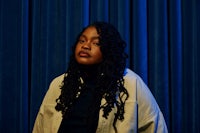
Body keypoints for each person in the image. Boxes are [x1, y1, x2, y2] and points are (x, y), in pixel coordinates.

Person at [32, 21, 168, 133]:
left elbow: (155, 128)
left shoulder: (131, 83)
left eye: (96, 43)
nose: (85, 46)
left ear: (108, 50)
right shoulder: (59, 84)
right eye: (82, 40)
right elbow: (39, 127)